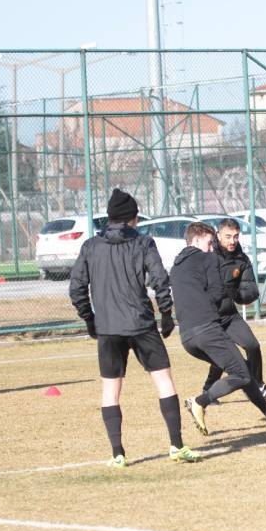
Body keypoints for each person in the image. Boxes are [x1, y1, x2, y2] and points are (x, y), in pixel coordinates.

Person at [69, 188, 201, 467]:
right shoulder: (143, 243)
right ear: (132, 218)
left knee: (110, 389)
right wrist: (166, 313)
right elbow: (159, 279)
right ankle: (176, 445)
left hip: (108, 328)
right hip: (141, 324)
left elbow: (77, 288)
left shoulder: (91, 246)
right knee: (164, 381)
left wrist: (90, 319)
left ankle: (117, 453)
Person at [172, 222, 266, 436]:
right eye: (210, 243)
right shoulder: (207, 258)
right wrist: (226, 297)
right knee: (241, 373)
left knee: (243, 371)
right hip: (209, 329)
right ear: (196, 240)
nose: (212, 248)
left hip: (187, 336)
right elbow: (217, 292)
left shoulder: (176, 266)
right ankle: (200, 401)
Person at [200, 218, 266, 402]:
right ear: (218, 235)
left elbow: (251, 289)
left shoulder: (241, 259)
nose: (232, 241)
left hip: (229, 315)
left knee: (252, 345)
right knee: (222, 356)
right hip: (210, 318)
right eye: (228, 236)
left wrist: (237, 294)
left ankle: (259, 386)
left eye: (235, 237)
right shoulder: (208, 256)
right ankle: (208, 391)